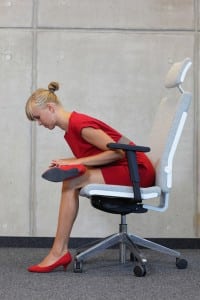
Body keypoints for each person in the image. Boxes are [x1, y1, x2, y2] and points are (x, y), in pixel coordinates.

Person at [25, 81, 155, 273]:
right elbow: (96, 155)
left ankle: (58, 251)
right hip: (127, 167)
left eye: (38, 117)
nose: (39, 123)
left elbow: (118, 153)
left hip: (137, 171)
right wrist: (68, 160)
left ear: (50, 108)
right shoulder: (72, 127)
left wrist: (75, 163)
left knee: (72, 179)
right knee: (71, 178)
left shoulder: (80, 125)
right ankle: (59, 251)